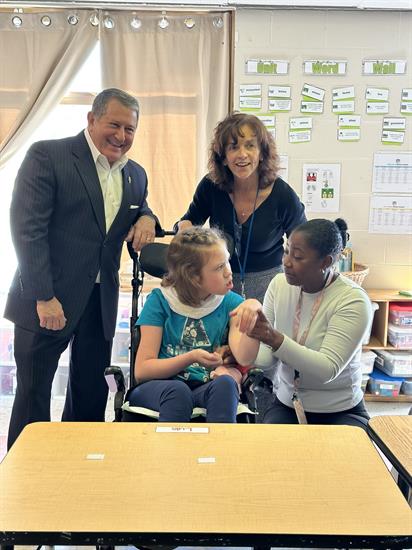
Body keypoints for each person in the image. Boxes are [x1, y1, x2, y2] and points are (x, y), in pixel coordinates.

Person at [5, 88, 159, 449]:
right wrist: (44, 296)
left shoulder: (135, 174)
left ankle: (79, 472)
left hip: (99, 302)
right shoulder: (49, 155)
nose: (122, 136)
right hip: (47, 298)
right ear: (91, 119)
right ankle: (26, 479)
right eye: (114, 125)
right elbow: (27, 231)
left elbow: (139, 210)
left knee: (90, 397)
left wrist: (148, 217)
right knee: (33, 399)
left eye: (130, 129)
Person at [246, 218, 373, 429]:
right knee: (270, 454)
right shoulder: (279, 285)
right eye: (286, 251)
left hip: (340, 410)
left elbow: (327, 370)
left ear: (325, 262)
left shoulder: (352, 300)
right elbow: (267, 357)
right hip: (288, 404)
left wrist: (274, 337)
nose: (286, 262)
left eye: (297, 257)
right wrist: (240, 353)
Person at [128, 226, 261, 422]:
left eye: (227, 263)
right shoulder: (160, 301)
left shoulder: (231, 303)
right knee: (178, 391)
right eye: (219, 267)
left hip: (205, 386)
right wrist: (191, 357)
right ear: (194, 276)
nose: (228, 272)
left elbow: (244, 356)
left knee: (225, 384)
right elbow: (142, 371)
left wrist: (253, 306)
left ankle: (218, 451)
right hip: (159, 388)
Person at [176, 112, 306, 304]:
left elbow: (305, 244)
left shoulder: (283, 195)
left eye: (250, 146)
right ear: (223, 157)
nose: (242, 154)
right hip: (219, 285)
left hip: (269, 288)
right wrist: (184, 227)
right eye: (233, 147)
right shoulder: (210, 186)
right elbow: (188, 221)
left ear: (261, 153)